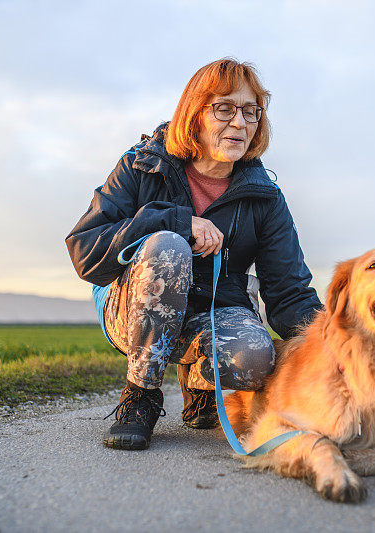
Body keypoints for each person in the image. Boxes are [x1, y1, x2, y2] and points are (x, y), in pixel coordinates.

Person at [65, 58, 322, 451]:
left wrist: (336, 339)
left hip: (214, 309)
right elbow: (84, 248)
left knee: (255, 357)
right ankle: (141, 392)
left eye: (251, 112)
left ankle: (198, 382)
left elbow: (289, 294)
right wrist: (175, 221)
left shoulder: (265, 197)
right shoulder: (140, 165)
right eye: (225, 108)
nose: (240, 123)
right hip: (132, 309)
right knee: (168, 245)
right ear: (194, 113)